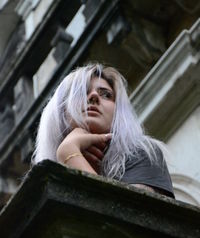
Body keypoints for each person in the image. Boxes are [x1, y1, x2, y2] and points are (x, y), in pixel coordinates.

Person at [33, 63, 174, 198]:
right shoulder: (40, 186)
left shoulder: (142, 153)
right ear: (60, 110)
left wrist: (69, 153)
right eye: (81, 93)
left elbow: (125, 215)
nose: (94, 96)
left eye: (106, 95)